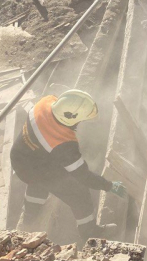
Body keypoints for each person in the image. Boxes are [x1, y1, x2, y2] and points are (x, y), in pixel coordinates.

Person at [10, 90, 126, 240]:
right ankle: (89, 231)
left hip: (20, 157)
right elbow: (83, 176)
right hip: (35, 168)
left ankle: (29, 215)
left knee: (36, 183)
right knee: (80, 194)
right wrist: (108, 185)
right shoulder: (63, 143)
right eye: (81, 121)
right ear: (71, 119)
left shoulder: (44, 103)